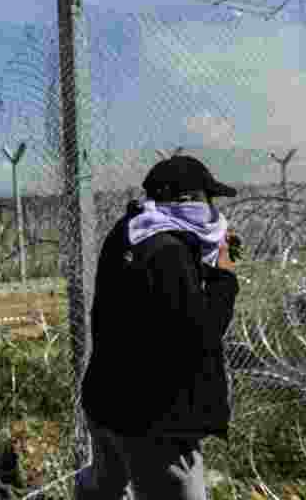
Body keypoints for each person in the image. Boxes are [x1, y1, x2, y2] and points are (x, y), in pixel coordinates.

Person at [77, 155, 242, 500]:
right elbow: (202, 332)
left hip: (108, 400)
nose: (212, 210)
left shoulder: (131, 231)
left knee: (105, 486)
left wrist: (204, 261)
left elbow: (161, 306)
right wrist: (224, 276)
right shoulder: (169, 253)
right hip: (154, 421)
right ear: (186, 202)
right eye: (206, 199)